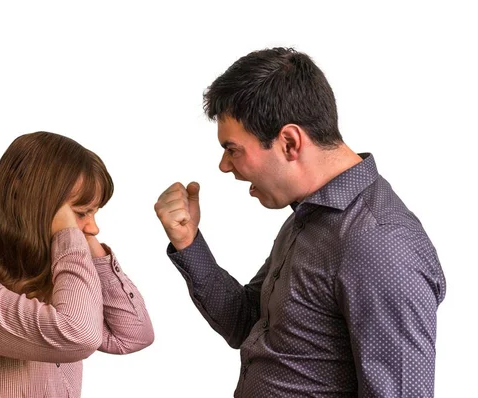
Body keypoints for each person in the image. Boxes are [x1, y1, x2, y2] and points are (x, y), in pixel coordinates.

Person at [154, 47, 445, 397]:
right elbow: (247, 322)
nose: (225, 166)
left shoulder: (380, 243)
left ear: (289, 142)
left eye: (233, 150)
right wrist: (188, 242)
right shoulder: (310, 218)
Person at [0, 131, 154, 397]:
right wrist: (70, 239)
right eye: (81, 213)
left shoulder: (53, 282)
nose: (93, 227)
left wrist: (95, 255)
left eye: (93, 213)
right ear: (35, 204)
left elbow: (132, 335)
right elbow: (79, 334)